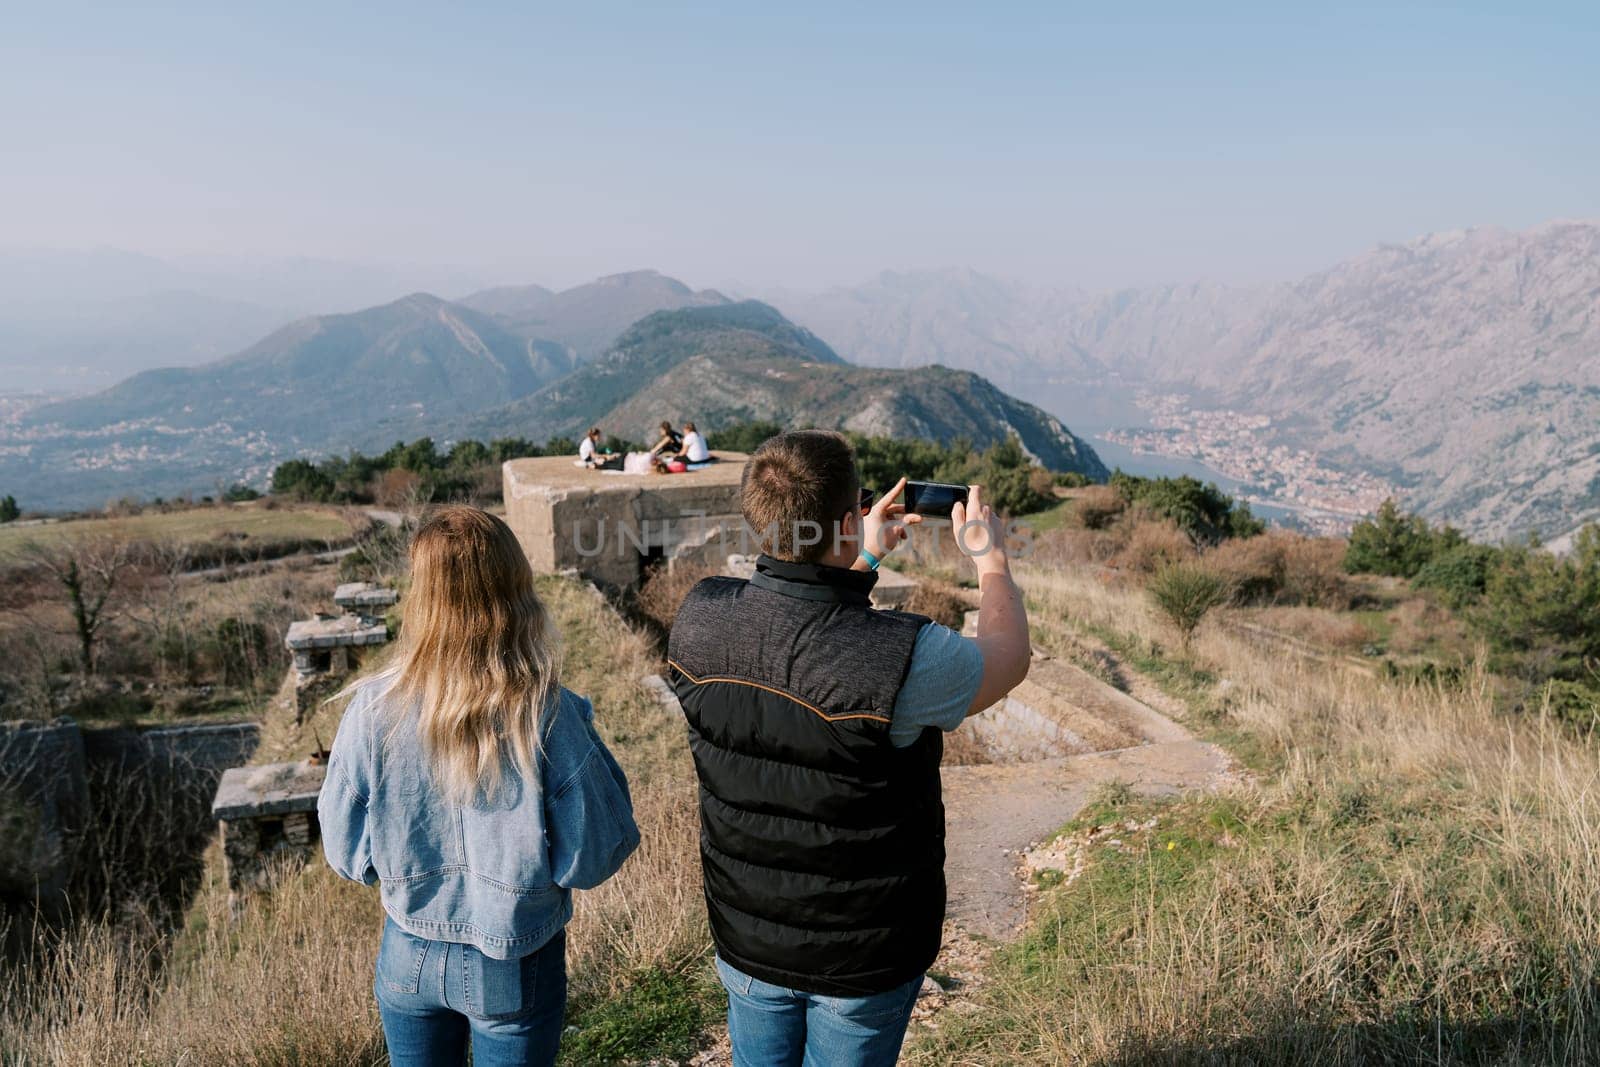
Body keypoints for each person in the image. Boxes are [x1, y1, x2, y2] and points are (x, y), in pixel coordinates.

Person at [667, 430, 1031, 1066]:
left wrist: (860, 559)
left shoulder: (699, 621)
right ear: (845, 519)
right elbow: (1007, 659)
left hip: (748, 936)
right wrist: (990, 559)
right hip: (863, 955)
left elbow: (795, 640)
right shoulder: (907, 657)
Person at [319, 506, 641, 1067]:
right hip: (513, 960)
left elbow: (345, 851)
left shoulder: (371, 709)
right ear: (515, 588)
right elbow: (595, 854)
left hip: (407, 950)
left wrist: (400, 865)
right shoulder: (547, 713)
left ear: (421, 595)